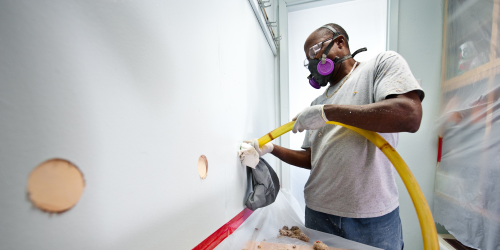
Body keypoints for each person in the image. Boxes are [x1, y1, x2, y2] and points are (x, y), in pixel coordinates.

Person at [243, 23, 424, 250]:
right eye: (307, 57)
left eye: (315, 50)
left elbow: (409, 115)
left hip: (371, 217)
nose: (312, 60)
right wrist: (271, 149)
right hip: (319, 214)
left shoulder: (380, 66)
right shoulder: (316, 104)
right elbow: (312, 159)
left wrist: (327, 113)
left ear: (340, 43)